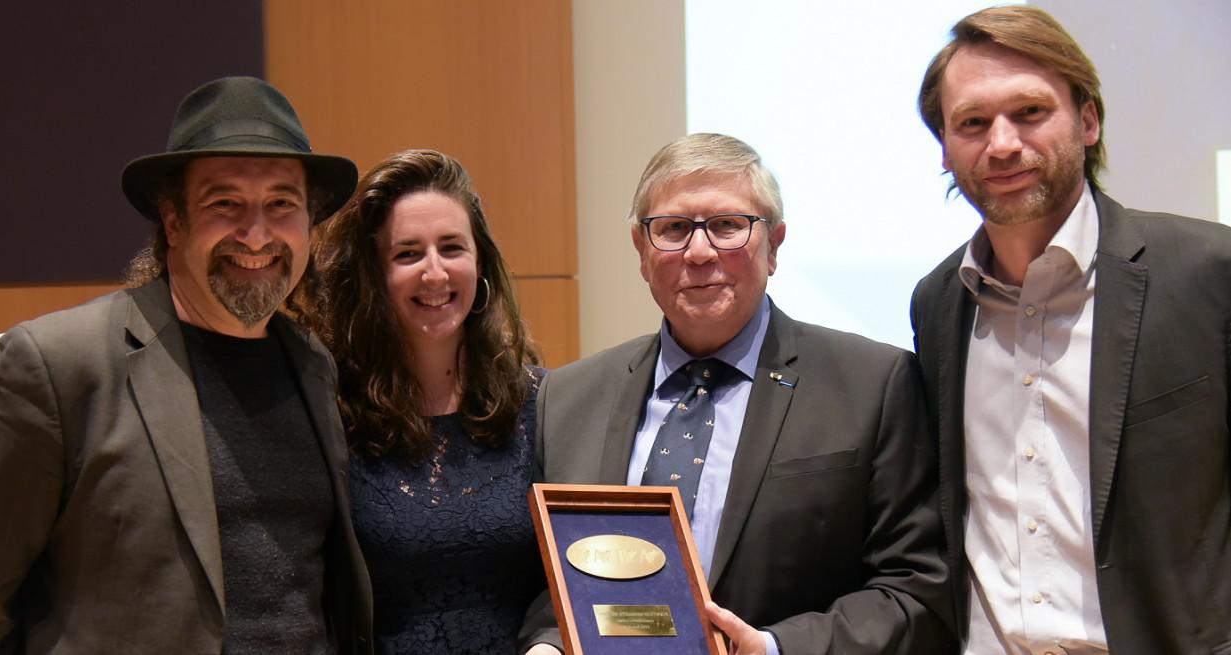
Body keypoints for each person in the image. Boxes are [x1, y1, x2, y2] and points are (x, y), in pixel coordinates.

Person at [0, 76, 372, 654]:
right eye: (223, 202)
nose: (256, 233)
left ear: (309, 224)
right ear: (173, 221)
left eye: (281, 204)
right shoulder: (60, 366)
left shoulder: (313, 364)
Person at [520, 133, 953, 654]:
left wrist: (775, 649)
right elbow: (553, 582)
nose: (699, 252)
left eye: (727, 226)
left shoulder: (873, 384)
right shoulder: (568, 398)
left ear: (775, 245)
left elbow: (916, 590)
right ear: (640, 248)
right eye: (674, 228)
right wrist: (545, 645)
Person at [910, 6, 1231, 653]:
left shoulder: (1207, 272)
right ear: (944, 147)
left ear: (1087, 121)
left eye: (1028, 113)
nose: (1001, 144)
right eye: (971, 123)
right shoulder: (937, 303)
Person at [291, 149, 545, 653]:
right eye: (408, 254)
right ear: (373, 277)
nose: (435, 273)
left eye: (452, 247)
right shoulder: (328, 412)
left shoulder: (542, 405)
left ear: (481, 262)